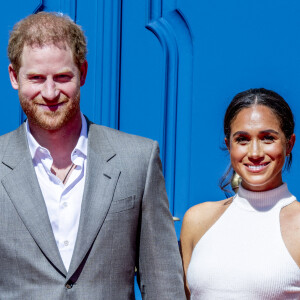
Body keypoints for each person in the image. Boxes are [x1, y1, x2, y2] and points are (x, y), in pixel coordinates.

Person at [0, 12, 185, 299]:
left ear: (83, 73)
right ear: (14, 76)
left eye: (62, 77)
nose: (50, 93)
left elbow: (163, 282)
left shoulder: (138, 159)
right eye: (36, 78)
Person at [180, 88, 300, 299]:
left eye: (268, 138)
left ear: (289, 144)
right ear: (228, 145)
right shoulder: (197, 220)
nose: (254, 153)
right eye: (242, 139)